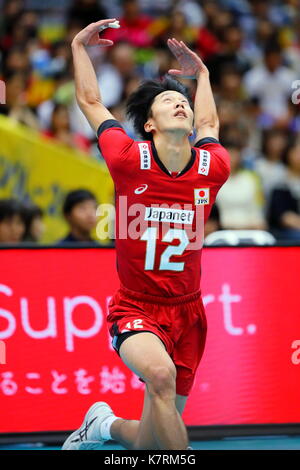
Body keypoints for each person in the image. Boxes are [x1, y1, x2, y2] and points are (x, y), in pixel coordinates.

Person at [62, 18, 230, 451]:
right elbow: (91, 100)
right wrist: (80, 47)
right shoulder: (127, 158)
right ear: (150, 125)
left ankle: (102, 425)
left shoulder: (212, 168)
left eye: (183, 102)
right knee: (159, 376)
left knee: (151, 443)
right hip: (137, 307)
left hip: (189, 315)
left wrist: (204, 76)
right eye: (169, 101)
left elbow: (211, 122)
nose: (180, 105)